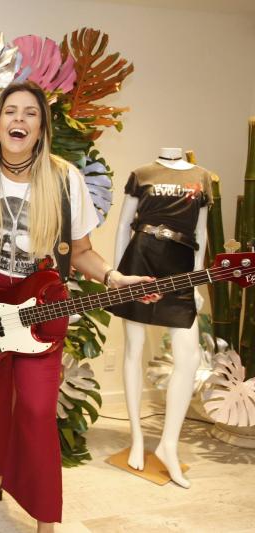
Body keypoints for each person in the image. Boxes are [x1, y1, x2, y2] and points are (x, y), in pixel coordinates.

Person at [0, 81, 158, 533]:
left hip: (40, 306)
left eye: (30, 113)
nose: (19, 120)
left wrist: (115, 278)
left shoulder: (65, 179)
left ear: (41, 128)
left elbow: (81, 252)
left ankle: (45, 520)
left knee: (38, 411)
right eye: (11, 111)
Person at [111, 147, 212, 488]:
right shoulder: (142, 173)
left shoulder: (201, 176)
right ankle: (137, 436)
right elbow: (123, 226)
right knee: (134, 348)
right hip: (140, 257)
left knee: (189, 356)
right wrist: (117, 277)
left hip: (180, 262)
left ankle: (169, 444)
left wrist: (196, 282)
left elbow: (202, 233)